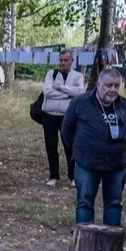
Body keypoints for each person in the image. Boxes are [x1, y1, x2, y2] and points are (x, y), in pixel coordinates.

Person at [61, 68, 126, 227]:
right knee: (84, 202)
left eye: (116, 86)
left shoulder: (125, 106)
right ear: (98, 84)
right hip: (87, 164)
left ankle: (112, 244)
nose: (113, 90)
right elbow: (67, 130)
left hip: (116, 164)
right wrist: (79, 151)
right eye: (108, 85)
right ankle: (85, 243)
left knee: (114, 204)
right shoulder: (80, 103)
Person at [42, 50, 85, 187]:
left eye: (66, 60)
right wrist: (68, 93)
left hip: (67, 116)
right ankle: (54, 176)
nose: (63, 63)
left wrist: (60, 87)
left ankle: (73, 177)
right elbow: (47, 92)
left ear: (72, 60)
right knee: (51, 146)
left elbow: (79, 92)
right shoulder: (51, 74)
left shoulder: (78, 76)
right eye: (61, 60)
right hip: (49, 115)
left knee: (69, 146)